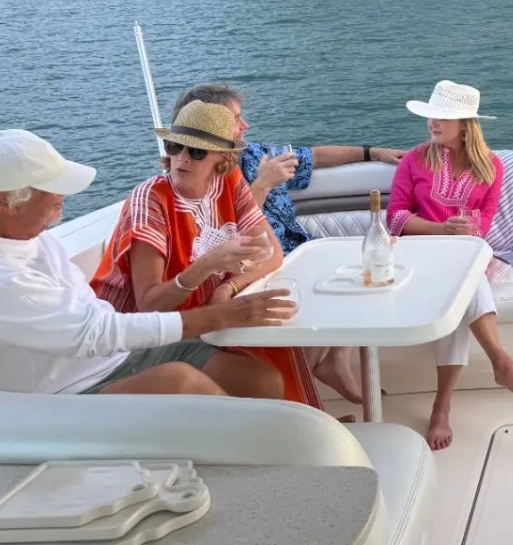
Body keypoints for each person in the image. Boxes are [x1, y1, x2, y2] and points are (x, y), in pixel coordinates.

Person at [0, 129, 297, 396]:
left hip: (120, 354)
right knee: (180, 382)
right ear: (6, 202)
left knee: (261, 380)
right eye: (51, 187)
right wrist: (224, 315)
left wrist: (228, 295)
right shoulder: (8, 279)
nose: (61, 195)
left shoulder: (38, 240)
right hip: (68, 392)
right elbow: (95, 332)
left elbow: (96, 318)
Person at [169, 83, 405, 406]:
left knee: (357, 271)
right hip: (254, 272)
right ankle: (305, 409)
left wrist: (371, 152)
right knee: (320, 295)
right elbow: (224, 234)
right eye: (237, 118)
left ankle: (332, 367)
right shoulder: (207, 175)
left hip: (294, 255)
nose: (245, 125)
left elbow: (311, 157)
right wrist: (263, 184)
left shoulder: (253, 154)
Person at [90, 101, 321, 406]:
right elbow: (148, 304)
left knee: (276, 355)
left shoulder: (229, 181)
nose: (181, 158)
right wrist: (207, 265)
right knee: (264, 378)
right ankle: (282, 434)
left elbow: (271, 253)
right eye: (174, 147)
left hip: (202, 316)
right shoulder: (151, 200)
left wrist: (228, 286)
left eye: (196, 152)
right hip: (141, 335)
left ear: (223, 158)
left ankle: (302, 426)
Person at [387, 80, 513, 450]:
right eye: (432, 116)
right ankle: (501, 362)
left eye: (443, 117)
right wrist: (441, 228)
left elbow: (483, 223)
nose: (433, 123)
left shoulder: (491, 166)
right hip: (421, 253)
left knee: (464, 284)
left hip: (467, 254)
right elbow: (394, 218)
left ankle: (443, 406)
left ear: (465, 124)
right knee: (465, 286)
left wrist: (463, 233)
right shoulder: (414, 159)